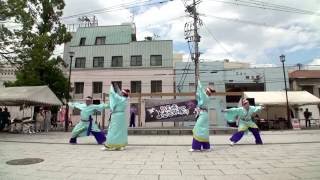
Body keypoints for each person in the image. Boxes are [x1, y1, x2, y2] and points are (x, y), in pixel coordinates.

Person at [101, 83, 130, 151]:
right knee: (120, 131)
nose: (120, 93)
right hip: (121, 116)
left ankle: (109, 145)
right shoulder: (124, 100)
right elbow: (117, 94)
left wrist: (111, 87)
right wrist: (116, 87)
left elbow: (113, 94)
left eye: (121, 93)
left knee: (113, 130)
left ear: (123, 94)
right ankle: (120, 145)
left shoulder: (120, 99)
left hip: (116, 116)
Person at [189, 80, 215, 152]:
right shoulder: (204, 98)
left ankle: (196, 147)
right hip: (203, 114)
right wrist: (198, 89)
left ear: (207, 92)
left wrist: (199, 83)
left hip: (203, 115)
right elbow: (199, 95)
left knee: (197, 129)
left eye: (206, 91)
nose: (205, 91)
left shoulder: (206, 97)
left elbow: (201, 93)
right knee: (204, 130)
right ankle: (206, 147)